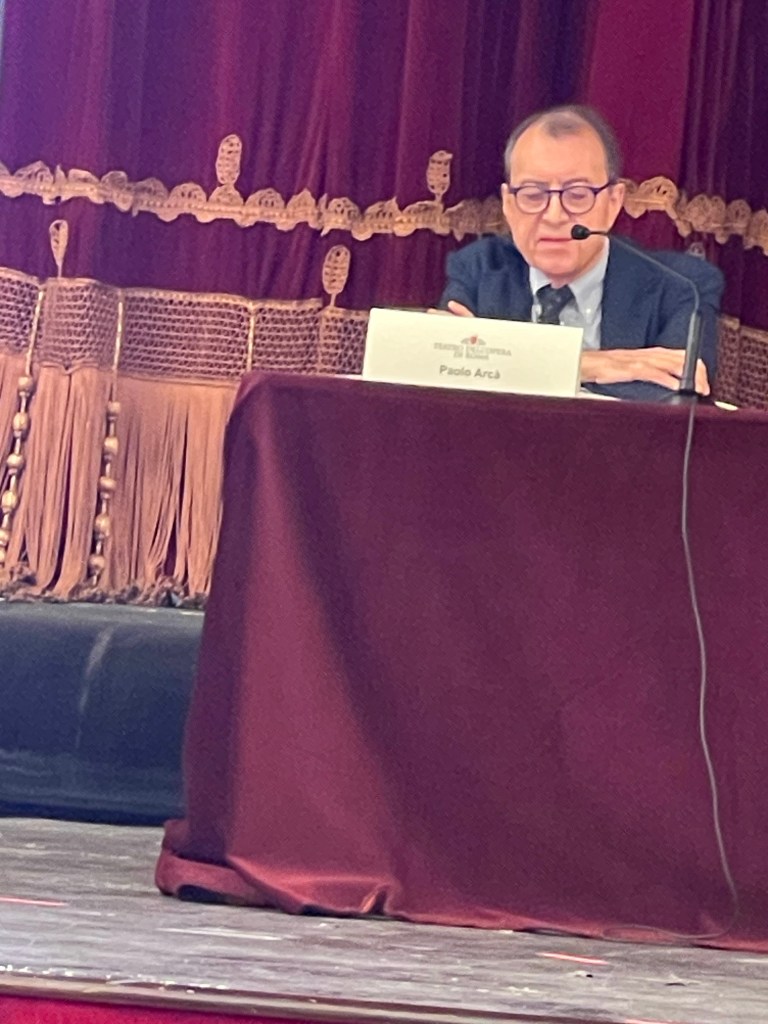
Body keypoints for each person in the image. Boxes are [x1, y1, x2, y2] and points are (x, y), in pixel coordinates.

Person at [438, 105, 724, 401]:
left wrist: (506, 362)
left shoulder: (682, 285)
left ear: (613, 202)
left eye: (577, 195)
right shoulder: (477, 270)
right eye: (533, 195)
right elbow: (447, 372)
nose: (554, 216)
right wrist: (585, 364)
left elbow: (675, 393)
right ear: (508, 204)